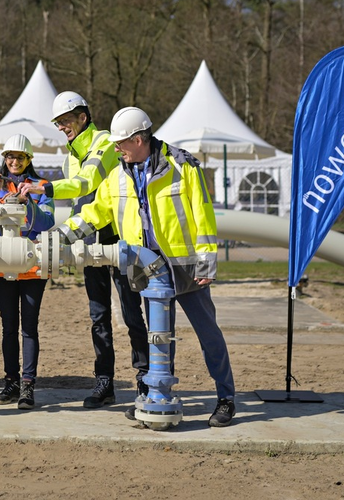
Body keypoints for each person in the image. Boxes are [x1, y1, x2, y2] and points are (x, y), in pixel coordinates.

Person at [58, 106, 236, 427]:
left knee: (208, 334)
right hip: (147, 267)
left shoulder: (181, 167)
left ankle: (226, 398)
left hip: (185, 267)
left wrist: (207, 259)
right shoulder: (118, 175)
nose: (116, 149)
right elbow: (95, 213)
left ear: (140, 139)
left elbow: (203, 212)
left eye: (121, 143)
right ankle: (157, 396)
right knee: (158, 337)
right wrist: (60, 237)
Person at [17, 91, 150, 409]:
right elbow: (78, 201)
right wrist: (58, 235)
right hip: (88, 237)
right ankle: (104, 382)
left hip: (118, 237)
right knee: (98, 316)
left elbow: (85, 183)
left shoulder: (104, 141)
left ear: (83, 117)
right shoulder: (69, 156)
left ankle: (145, 380)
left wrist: (45, 186)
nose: (63, 127)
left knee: (132, 315)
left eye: (66, 121)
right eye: (59, 123)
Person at [0, 134, 55, 410]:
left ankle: (28, 385)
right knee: (9, 326)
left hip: (32, 265)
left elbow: (46, 221)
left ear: (28, 159)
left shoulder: (41, 186)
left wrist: (29, 200)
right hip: (1, 262)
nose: (14, 161)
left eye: (20, 157)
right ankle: (11, 382)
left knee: (29, 327)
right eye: (10, 156)